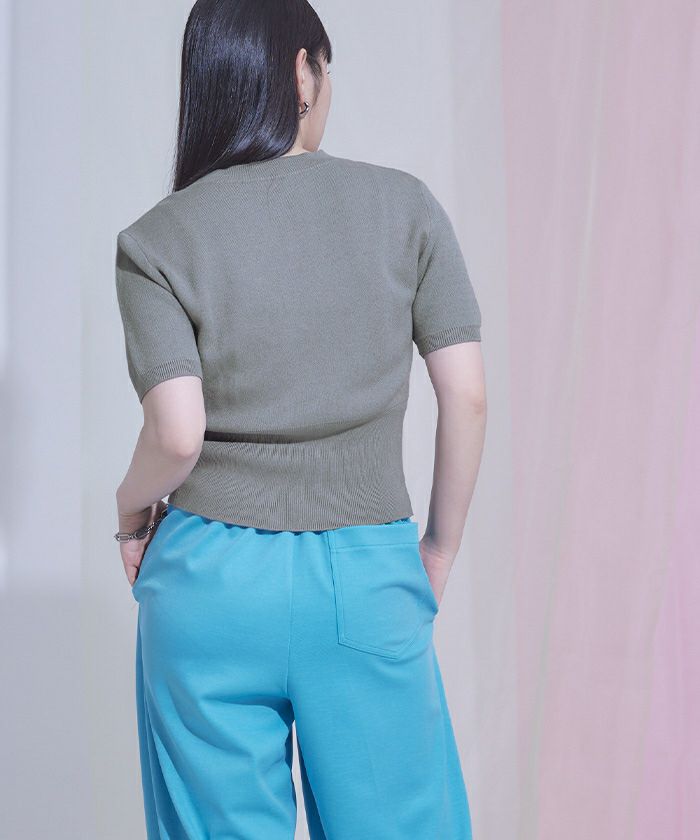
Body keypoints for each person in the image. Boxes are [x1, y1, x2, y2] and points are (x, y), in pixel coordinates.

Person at [113, 1, 487, 837]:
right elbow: (466, 394)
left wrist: (130, 512)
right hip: (365, 570)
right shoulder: (405, 208)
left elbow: (176, 432)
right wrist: (436, 549)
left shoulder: (157, 239)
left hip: (207, 577)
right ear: (302, 71)